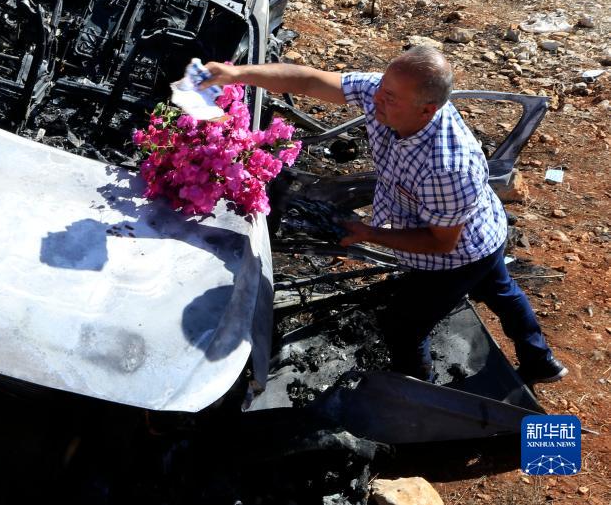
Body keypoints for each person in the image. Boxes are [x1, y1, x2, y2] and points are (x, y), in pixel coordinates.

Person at [199, 47, 568, 385]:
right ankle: (541, 362)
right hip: (481, 224)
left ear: (427, 110)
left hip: (459, 255)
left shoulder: (447, 165)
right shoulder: (387, 95)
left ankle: (418, 397)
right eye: (382, 88)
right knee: (501, 291)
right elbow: (310, 80)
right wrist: (237, 74)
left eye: (390, 97)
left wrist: (370, 234)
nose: (376, 98)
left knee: (403, 327)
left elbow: (441, 243)